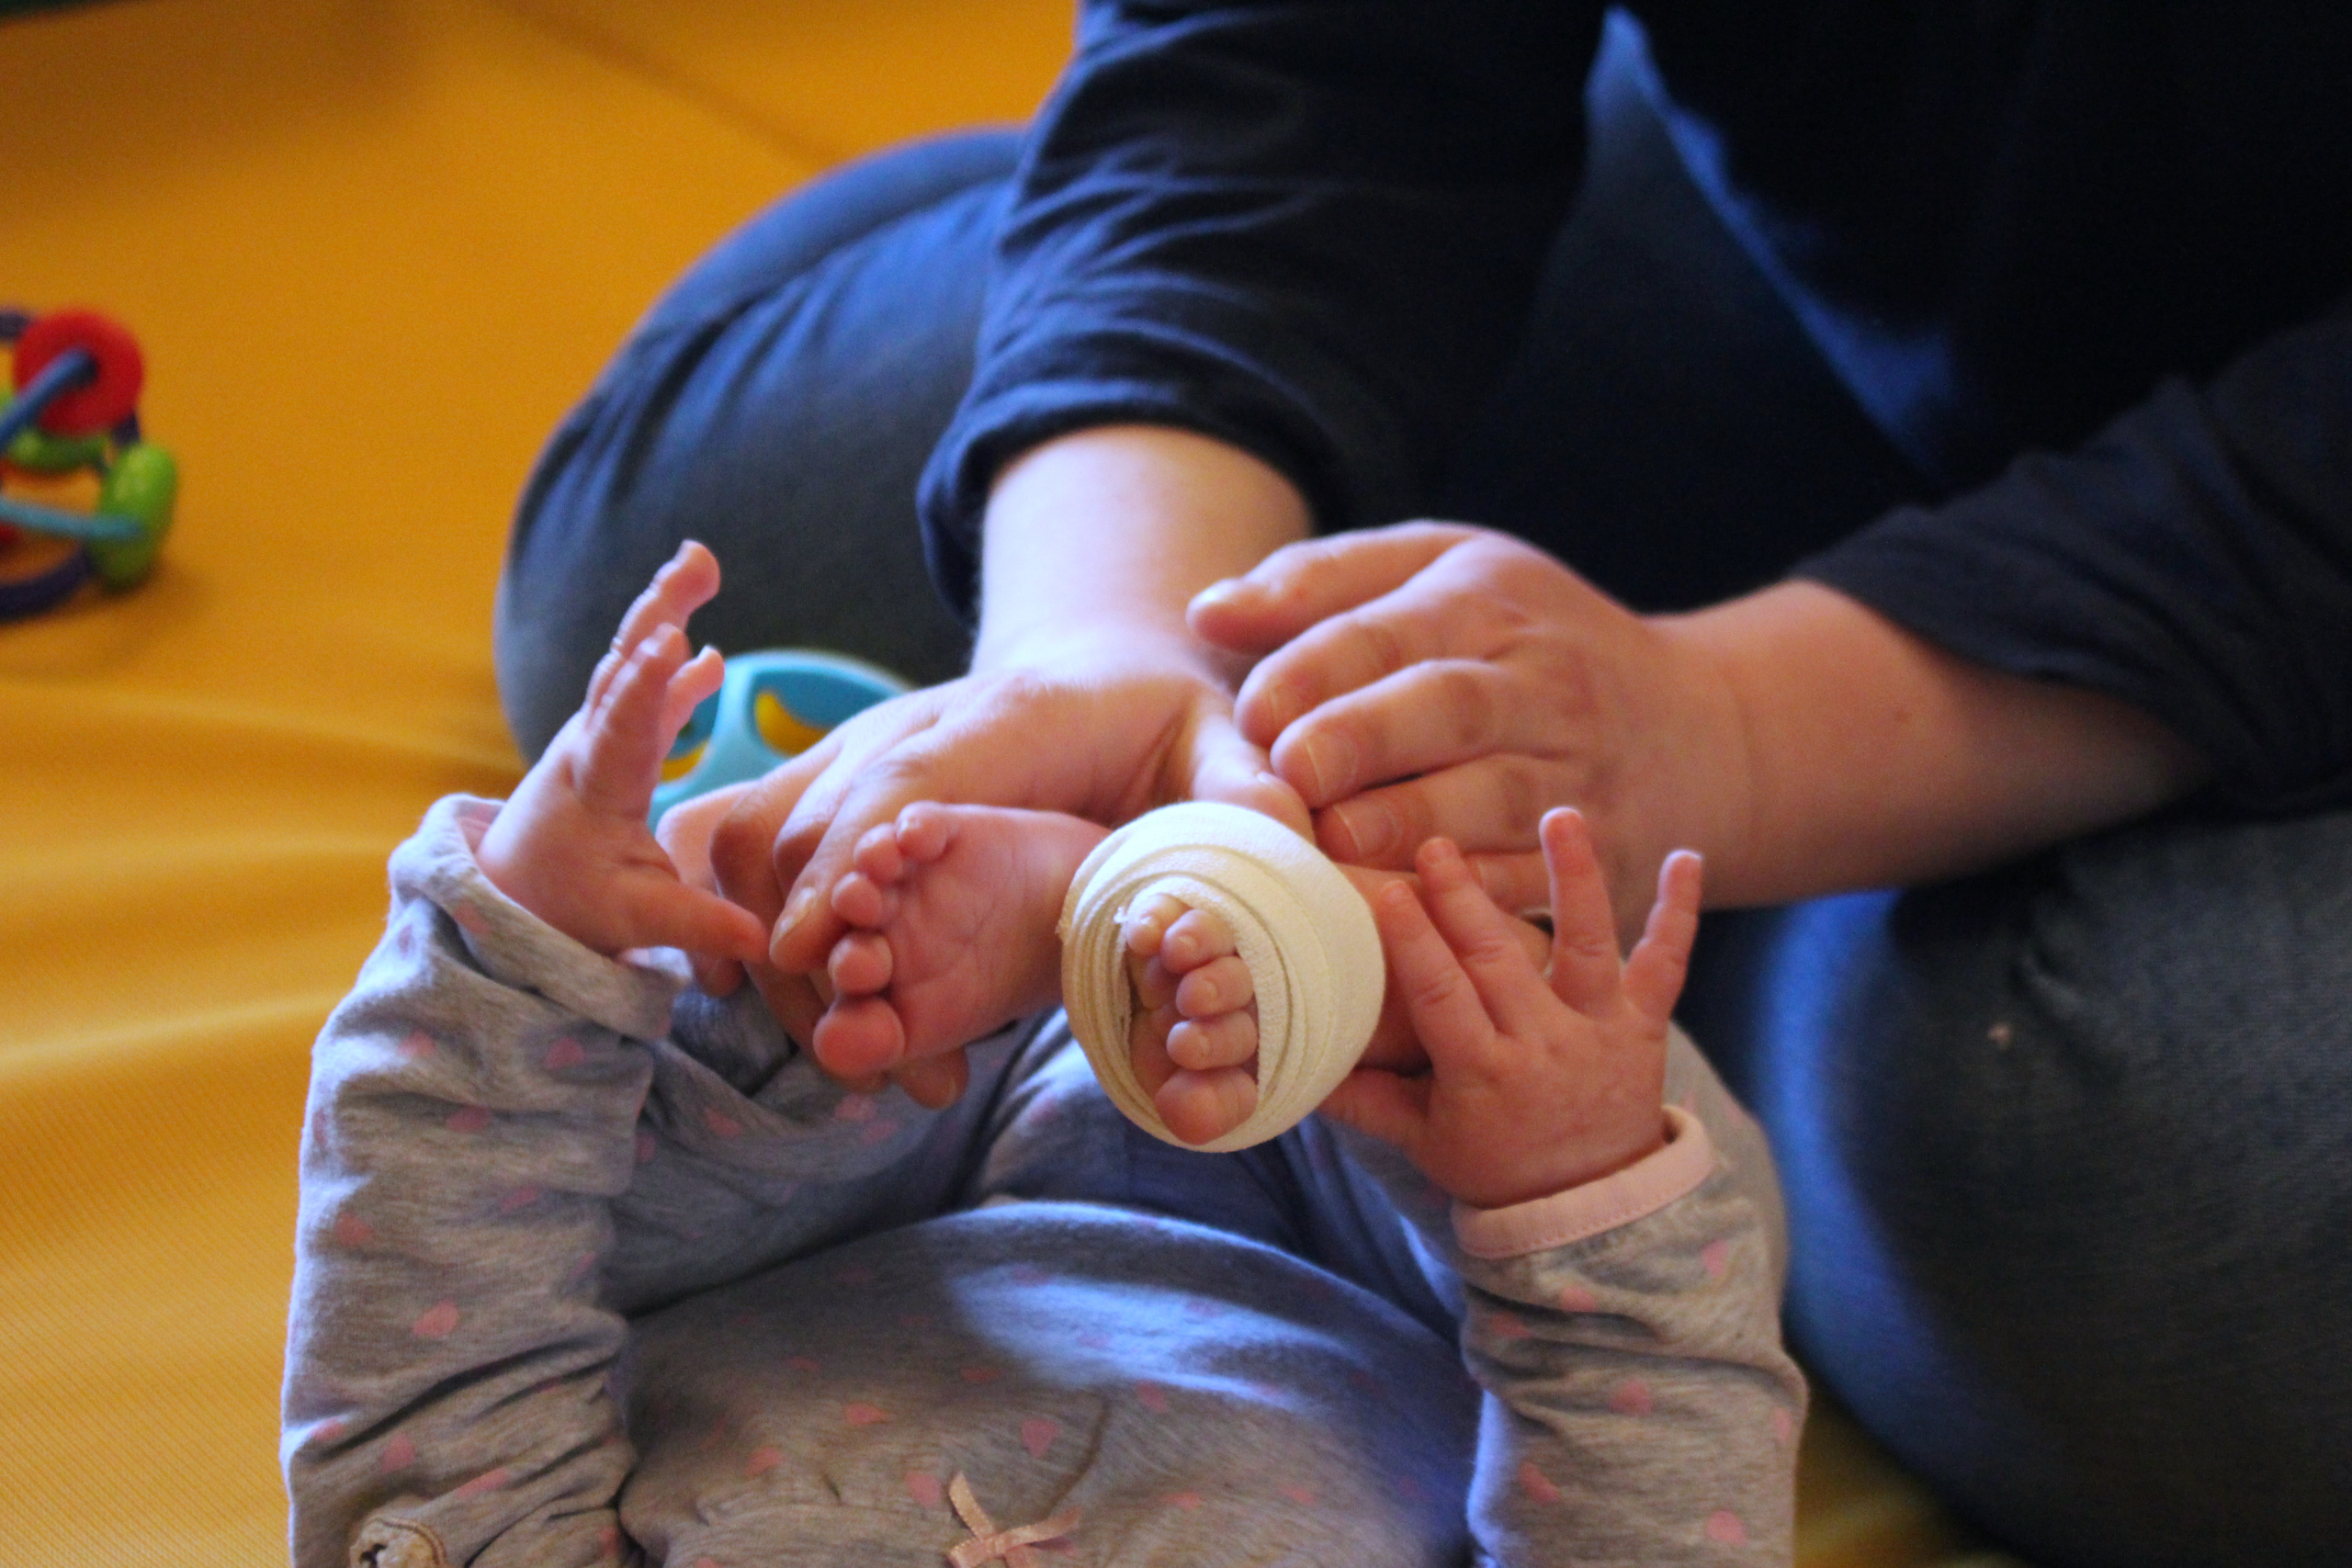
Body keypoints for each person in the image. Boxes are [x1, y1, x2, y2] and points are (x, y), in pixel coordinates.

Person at [492, 7, 2352, 1564]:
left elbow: (443, 1243)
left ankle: (1647, 905)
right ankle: (1612, 938)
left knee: (2090, 1198)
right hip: (1839, 239)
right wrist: (1102, 638)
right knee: (682, 601)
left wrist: (1744, 735)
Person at [283, 545, 1803, 1568]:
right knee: (1604, 1172)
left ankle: (1025, 939)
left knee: (702, 1119)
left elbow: (434, 1394)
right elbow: (1652, 1509)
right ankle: (1329, 965)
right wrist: (1573, 1188)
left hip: (855, 1198)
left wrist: (522, 947)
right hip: (1363, 1246)